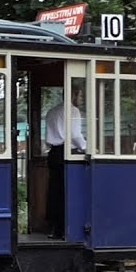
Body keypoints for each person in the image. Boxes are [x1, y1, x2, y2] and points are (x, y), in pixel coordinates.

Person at [44, 89, 87, 239]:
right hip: (66, 153)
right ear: (73, 95)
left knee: (54, 192)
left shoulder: (52, 111)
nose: (81, 98)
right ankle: (67, 229)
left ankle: (55, 228)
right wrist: (87, 148)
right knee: (66, 192)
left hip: (54, 153)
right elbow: (75, 135)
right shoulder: (72, 111)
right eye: (80, 95)